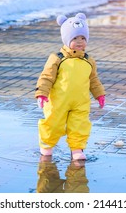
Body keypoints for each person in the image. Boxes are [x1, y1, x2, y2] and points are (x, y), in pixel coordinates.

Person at [35, 12, 105, 161]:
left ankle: (77, 149)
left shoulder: (89, 61)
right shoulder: (57, 59)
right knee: (53, 124)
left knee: (80, 125)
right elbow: (46, 77)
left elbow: (94, 80)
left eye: (83, 38)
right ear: (66, 39)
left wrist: (100, 95)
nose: (80, 42)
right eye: (75, 38)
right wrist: (41, 93)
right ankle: (47, 145)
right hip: (58, 102)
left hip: (80, 102)